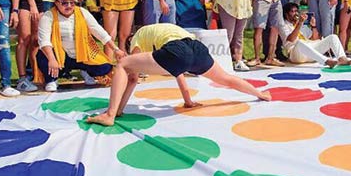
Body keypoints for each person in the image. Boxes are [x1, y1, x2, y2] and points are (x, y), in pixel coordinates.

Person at [85, 23, 271, 127]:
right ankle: (260, 94)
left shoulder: (139, 37)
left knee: (123, 63)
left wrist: (117, 111)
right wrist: (188, 101)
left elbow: (132, 75)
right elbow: (179, 72)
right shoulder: (162, 30)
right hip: (197, 48)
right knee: (226, 78)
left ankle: (109, 114)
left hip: (177, 50)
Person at [36, 0, 113, 92]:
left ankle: (85, 71)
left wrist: (116, 49)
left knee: (105, 67)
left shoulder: (82, 12)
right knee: (43, 56)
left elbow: (98, 31)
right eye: (64, 3)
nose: (69, 6)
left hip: (83, 56)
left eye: (72, 3)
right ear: (56, 2)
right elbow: (43, 41)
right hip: (61, 58)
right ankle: (51, 80)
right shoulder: (48, 16)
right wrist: (52, 59)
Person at [279, 2, 351, 68]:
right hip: (296, 55)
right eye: (292, 12)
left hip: (310, 54)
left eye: (296, 11)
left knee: (333, 37)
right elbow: (291, 39)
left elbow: (315, 39)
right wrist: (299, 24)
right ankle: (326, 61)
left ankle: (342, 58)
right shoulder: (284, 25)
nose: (295, 13)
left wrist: (313, 26)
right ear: (286, 14)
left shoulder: (302, 24)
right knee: (299, 43)